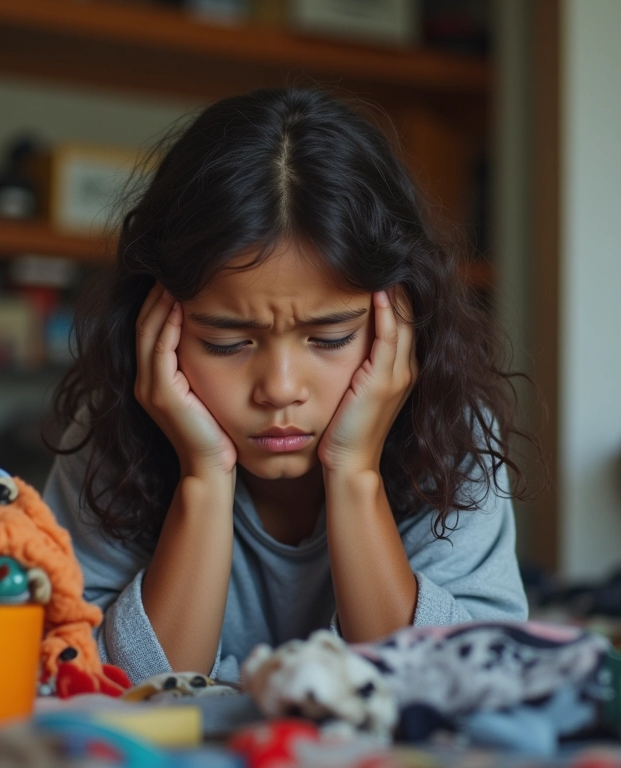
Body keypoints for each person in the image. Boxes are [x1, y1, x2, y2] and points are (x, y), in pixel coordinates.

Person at [43, 86, 539, 685]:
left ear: (401, 323)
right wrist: (204, 479)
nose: (279, 389)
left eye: (329, 338)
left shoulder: (454, 432)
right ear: (155, 328)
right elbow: (98, 687)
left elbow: (458, 685)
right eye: (226, 342)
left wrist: (354, 475)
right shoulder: (109, 429)